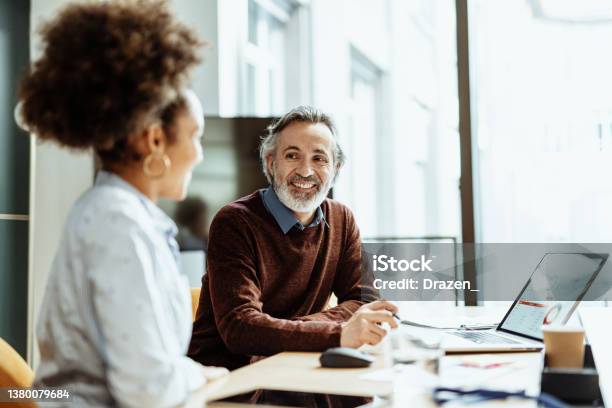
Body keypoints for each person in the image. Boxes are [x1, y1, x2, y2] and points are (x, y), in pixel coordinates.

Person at [18, 1, 227, 406]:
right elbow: (148, 390)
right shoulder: (117, 223)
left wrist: (188, 374)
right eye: (195, 135)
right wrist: (197, 376)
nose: (199, 154)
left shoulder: (116, 213)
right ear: (153, 140)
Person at [189, 106, 398, 370]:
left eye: (320, 158)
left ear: (336, 168)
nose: (306, 171)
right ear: (270, 162)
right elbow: (240, 327)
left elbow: (364, 301)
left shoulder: (342, 219)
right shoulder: (234, 222)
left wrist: (296, 332)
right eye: (292, 155)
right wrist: (338, 333)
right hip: (233, 378)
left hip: (302, 365)